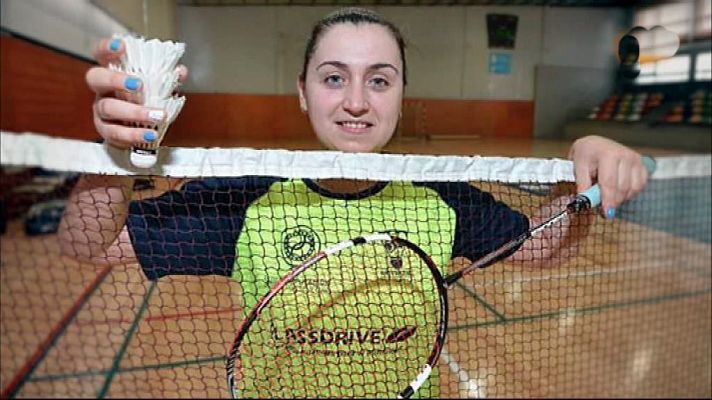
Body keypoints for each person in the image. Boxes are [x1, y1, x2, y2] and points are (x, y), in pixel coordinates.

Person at [59, 8, 650, 398]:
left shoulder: (439, 198)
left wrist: (584, 180)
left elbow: (539, 247)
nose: (356, 103)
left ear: (400, 94)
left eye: (379, 79)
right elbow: (90, 244)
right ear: (303, 91)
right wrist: (110, 158)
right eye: (334, 77)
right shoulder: (245, 200)